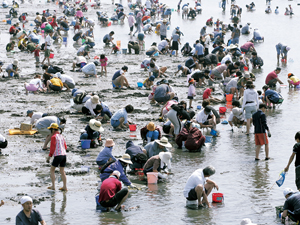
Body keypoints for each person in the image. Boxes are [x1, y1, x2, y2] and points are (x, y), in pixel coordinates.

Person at [46, 123, 67, 191]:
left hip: (58, 155)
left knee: (52, 170)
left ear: (52, 130)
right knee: (62, 171)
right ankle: (64, 186)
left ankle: (53, 186)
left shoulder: (53, 137)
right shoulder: (61, 136)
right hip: (64, 155)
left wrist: (49, 157)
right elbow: (65, 147)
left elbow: (52, 148)